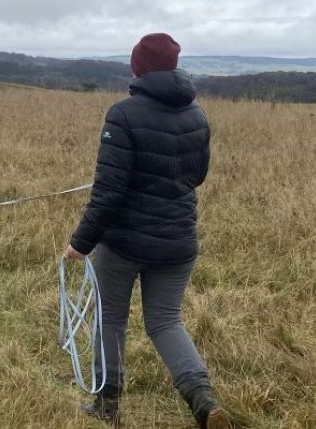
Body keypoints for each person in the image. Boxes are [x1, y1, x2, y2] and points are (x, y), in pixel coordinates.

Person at [63, 33, 230, 429]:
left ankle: (107, 406)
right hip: (179, 241)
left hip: (123, 244)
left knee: (111, 320)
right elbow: (197, 176)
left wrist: (79, 243)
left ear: (139, 67)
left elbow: (108, 192)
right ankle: (203, 402)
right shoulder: (198, 115)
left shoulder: (121, 115)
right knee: (166, 322)